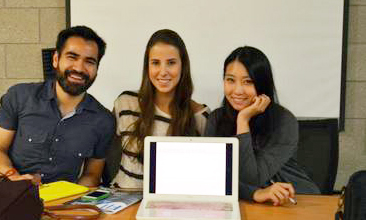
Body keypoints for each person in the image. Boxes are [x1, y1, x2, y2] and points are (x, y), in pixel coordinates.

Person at [0, 26, 115, 186]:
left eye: (89, 62)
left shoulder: (103, 120)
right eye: (72, 57)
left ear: (96, 69)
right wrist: (14, 177)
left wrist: (75, 199)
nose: (79, 68)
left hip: (62, 205)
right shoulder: (20, 96)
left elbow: (92, 174)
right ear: (55, 59)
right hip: (11, 193)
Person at [205, 46, 320, 205]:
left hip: (294, 203)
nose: (237, 90)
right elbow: (212, 177)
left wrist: (243, 121)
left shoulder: (284, 121)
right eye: (230, 80)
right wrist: (255, 193)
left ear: (262, 84)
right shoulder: (216, 119)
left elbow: (251, 178)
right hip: (243, 204)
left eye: (248, 82)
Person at [111, 29, 210, 189]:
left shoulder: (200, 116)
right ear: (147, 66)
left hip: (170, 206)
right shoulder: (125, 103)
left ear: (183, 66)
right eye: (155, 63)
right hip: (121, 201)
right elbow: (107, 157)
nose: (163, 72)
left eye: (171, 63)